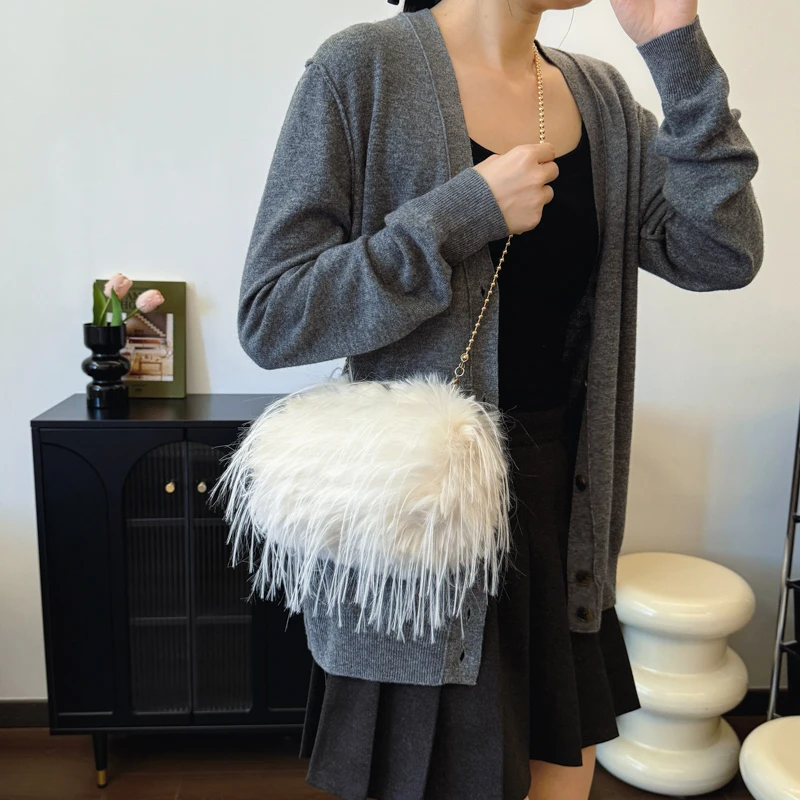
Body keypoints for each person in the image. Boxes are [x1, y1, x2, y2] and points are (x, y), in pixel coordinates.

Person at [236, 0, 764, 798]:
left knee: (563, 775)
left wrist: (676, 53)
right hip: (422, 524)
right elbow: (274, 315)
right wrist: (460, 215)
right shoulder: (362, 70)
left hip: (560, 518)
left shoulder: (602, 100)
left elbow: (722, 251)